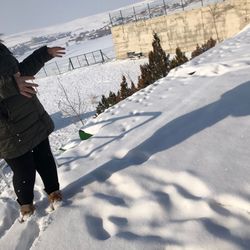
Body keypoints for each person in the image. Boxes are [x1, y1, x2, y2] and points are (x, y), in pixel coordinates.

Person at [0, 42, 65, 218]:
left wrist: (44, 54)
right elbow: (14, 82)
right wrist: (12, 85)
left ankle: (55, 194)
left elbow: (19, 72)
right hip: (7, 129)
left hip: (30, 114)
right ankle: (26, 207)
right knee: (24, 170)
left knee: (45, 158)